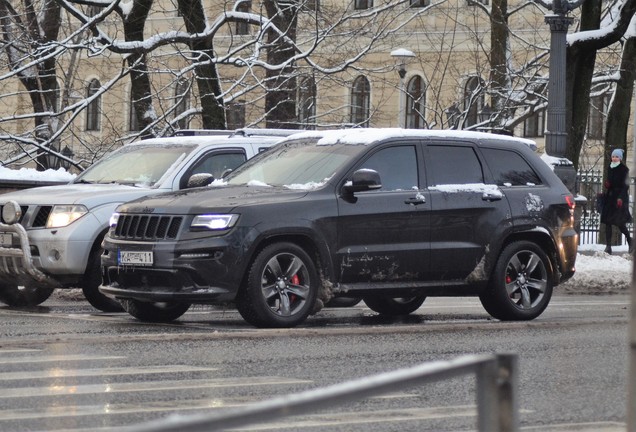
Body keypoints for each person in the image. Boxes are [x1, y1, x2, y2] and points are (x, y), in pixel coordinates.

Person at [601, 148, 633, 254]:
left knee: (620, 223)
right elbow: (610, 181)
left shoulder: (624, 169)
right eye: (613, 156)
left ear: (620, 158)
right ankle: (608, 246)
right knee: (607, 222)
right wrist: (607, 185)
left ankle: (630, 240)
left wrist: (620, 198)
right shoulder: (610, 167)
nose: (614, 158)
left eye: (616, 157)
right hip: (610, 197)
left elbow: (625, 186)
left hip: (620, 198)